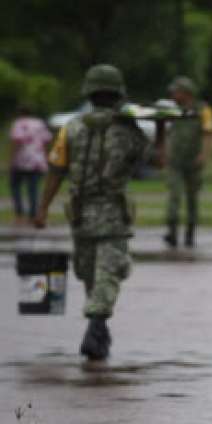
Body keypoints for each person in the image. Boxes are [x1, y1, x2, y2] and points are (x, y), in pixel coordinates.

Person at [34, 64, 162, 361]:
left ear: (89, 94)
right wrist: (163, 129)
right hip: (113, 213)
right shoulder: (127, 129)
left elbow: (55, 170)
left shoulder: (72, 128)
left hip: (79, 214)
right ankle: (97, 324)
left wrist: (41, 210)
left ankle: (98, 328)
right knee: (109, 270)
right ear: (118, 93)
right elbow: (158, 161)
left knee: (91, 272)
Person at [163, 76, 212, 248]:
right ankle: (171, 232)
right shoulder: (172, 110)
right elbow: (166, 132)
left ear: (186, 93)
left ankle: (190, 234)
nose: (173, 95)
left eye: (176, 92)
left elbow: (209, 133)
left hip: (194, 161)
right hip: (174, 161)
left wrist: (204, 155)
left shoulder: (203, 110)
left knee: (192, 199)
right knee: (174, 196)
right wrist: (165, 151)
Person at [8, 107, 52, 224]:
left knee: (15, 187)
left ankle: (19, 214)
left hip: (21, 161)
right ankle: (32, 215)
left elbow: (16, 142)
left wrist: (11, 159)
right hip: (37, 161)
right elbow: (46, 141)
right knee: (33, 189)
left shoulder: (18, 123)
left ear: (20, 113)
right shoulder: (40, 124)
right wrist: (46, 157)